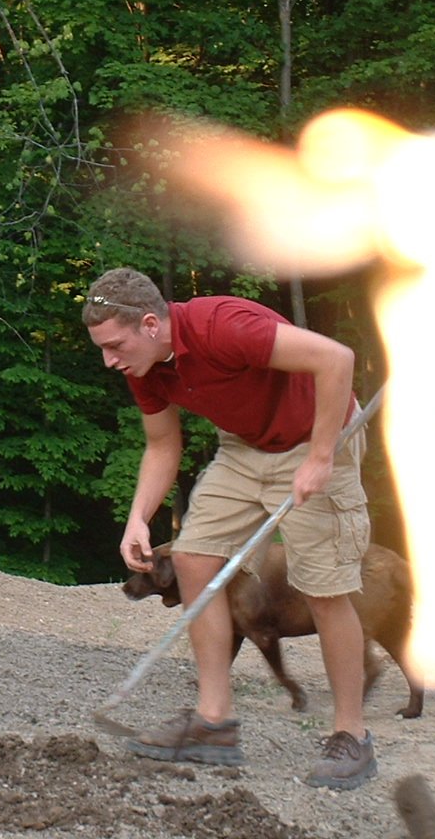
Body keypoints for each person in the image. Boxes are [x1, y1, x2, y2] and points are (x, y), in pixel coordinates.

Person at [82, 267, 375, 790]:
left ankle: (351, 737)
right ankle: (214, 722)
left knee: (323, 588)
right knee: (192, 558)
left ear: (150, 324)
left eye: (114, 345)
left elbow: (337, 359)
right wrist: (137, 518)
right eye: (103, 348)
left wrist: (323, 454)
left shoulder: (224, 326)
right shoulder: (144, 366)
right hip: (245, 448)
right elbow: (162, 445)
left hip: (316, 437)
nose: (109, 360)